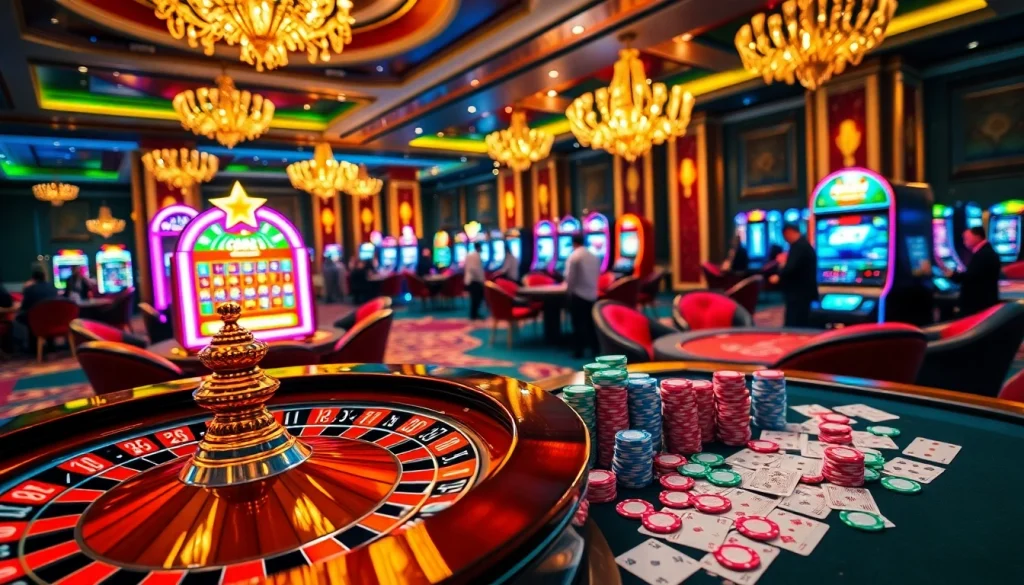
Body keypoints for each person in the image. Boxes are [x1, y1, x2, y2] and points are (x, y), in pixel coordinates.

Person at [769, 224, 818, 327]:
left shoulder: (799, 246)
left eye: (785, 236)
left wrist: (779, 274)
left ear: (789, 232)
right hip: (803, 292)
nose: (785, 239)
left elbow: (791, 267)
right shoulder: (802, 244)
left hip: (799, 293)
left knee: (795, 322)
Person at [945, 226, 1000, 316]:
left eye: (966, 238)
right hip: (983, 301)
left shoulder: (983, 254)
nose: (964, 242)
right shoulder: (985, 251)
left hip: (979, 304)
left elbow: (971, 278)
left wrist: (953, 275)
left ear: (977, 237)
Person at [564, 233, 601, 358]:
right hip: (592, 294)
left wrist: (568, 293)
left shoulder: (574, 256)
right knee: (591, 323)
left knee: (577, 323)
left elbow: (570, 279)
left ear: (574, 243)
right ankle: (595, 348)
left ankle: (578, 351)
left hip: (578, 294)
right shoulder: (593, 255)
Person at [464, 241, 486, 320]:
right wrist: (481, 279)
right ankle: (473, 315)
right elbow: (474, 269)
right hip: (474, 280)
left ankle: (474, 314)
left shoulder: (471, 255)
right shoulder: (475, 256)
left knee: (476, 298)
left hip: (471, 279)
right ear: (479, 247)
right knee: (476, 298)